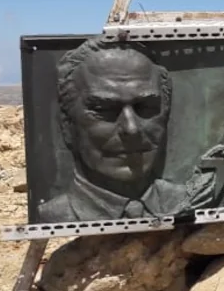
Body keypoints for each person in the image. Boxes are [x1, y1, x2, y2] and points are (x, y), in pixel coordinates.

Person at [38, 37, 188, 223]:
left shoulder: (192, 200)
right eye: (104, 110)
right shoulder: (52, 215)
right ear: (67, 124)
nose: (131, 129)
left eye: (146, 108)